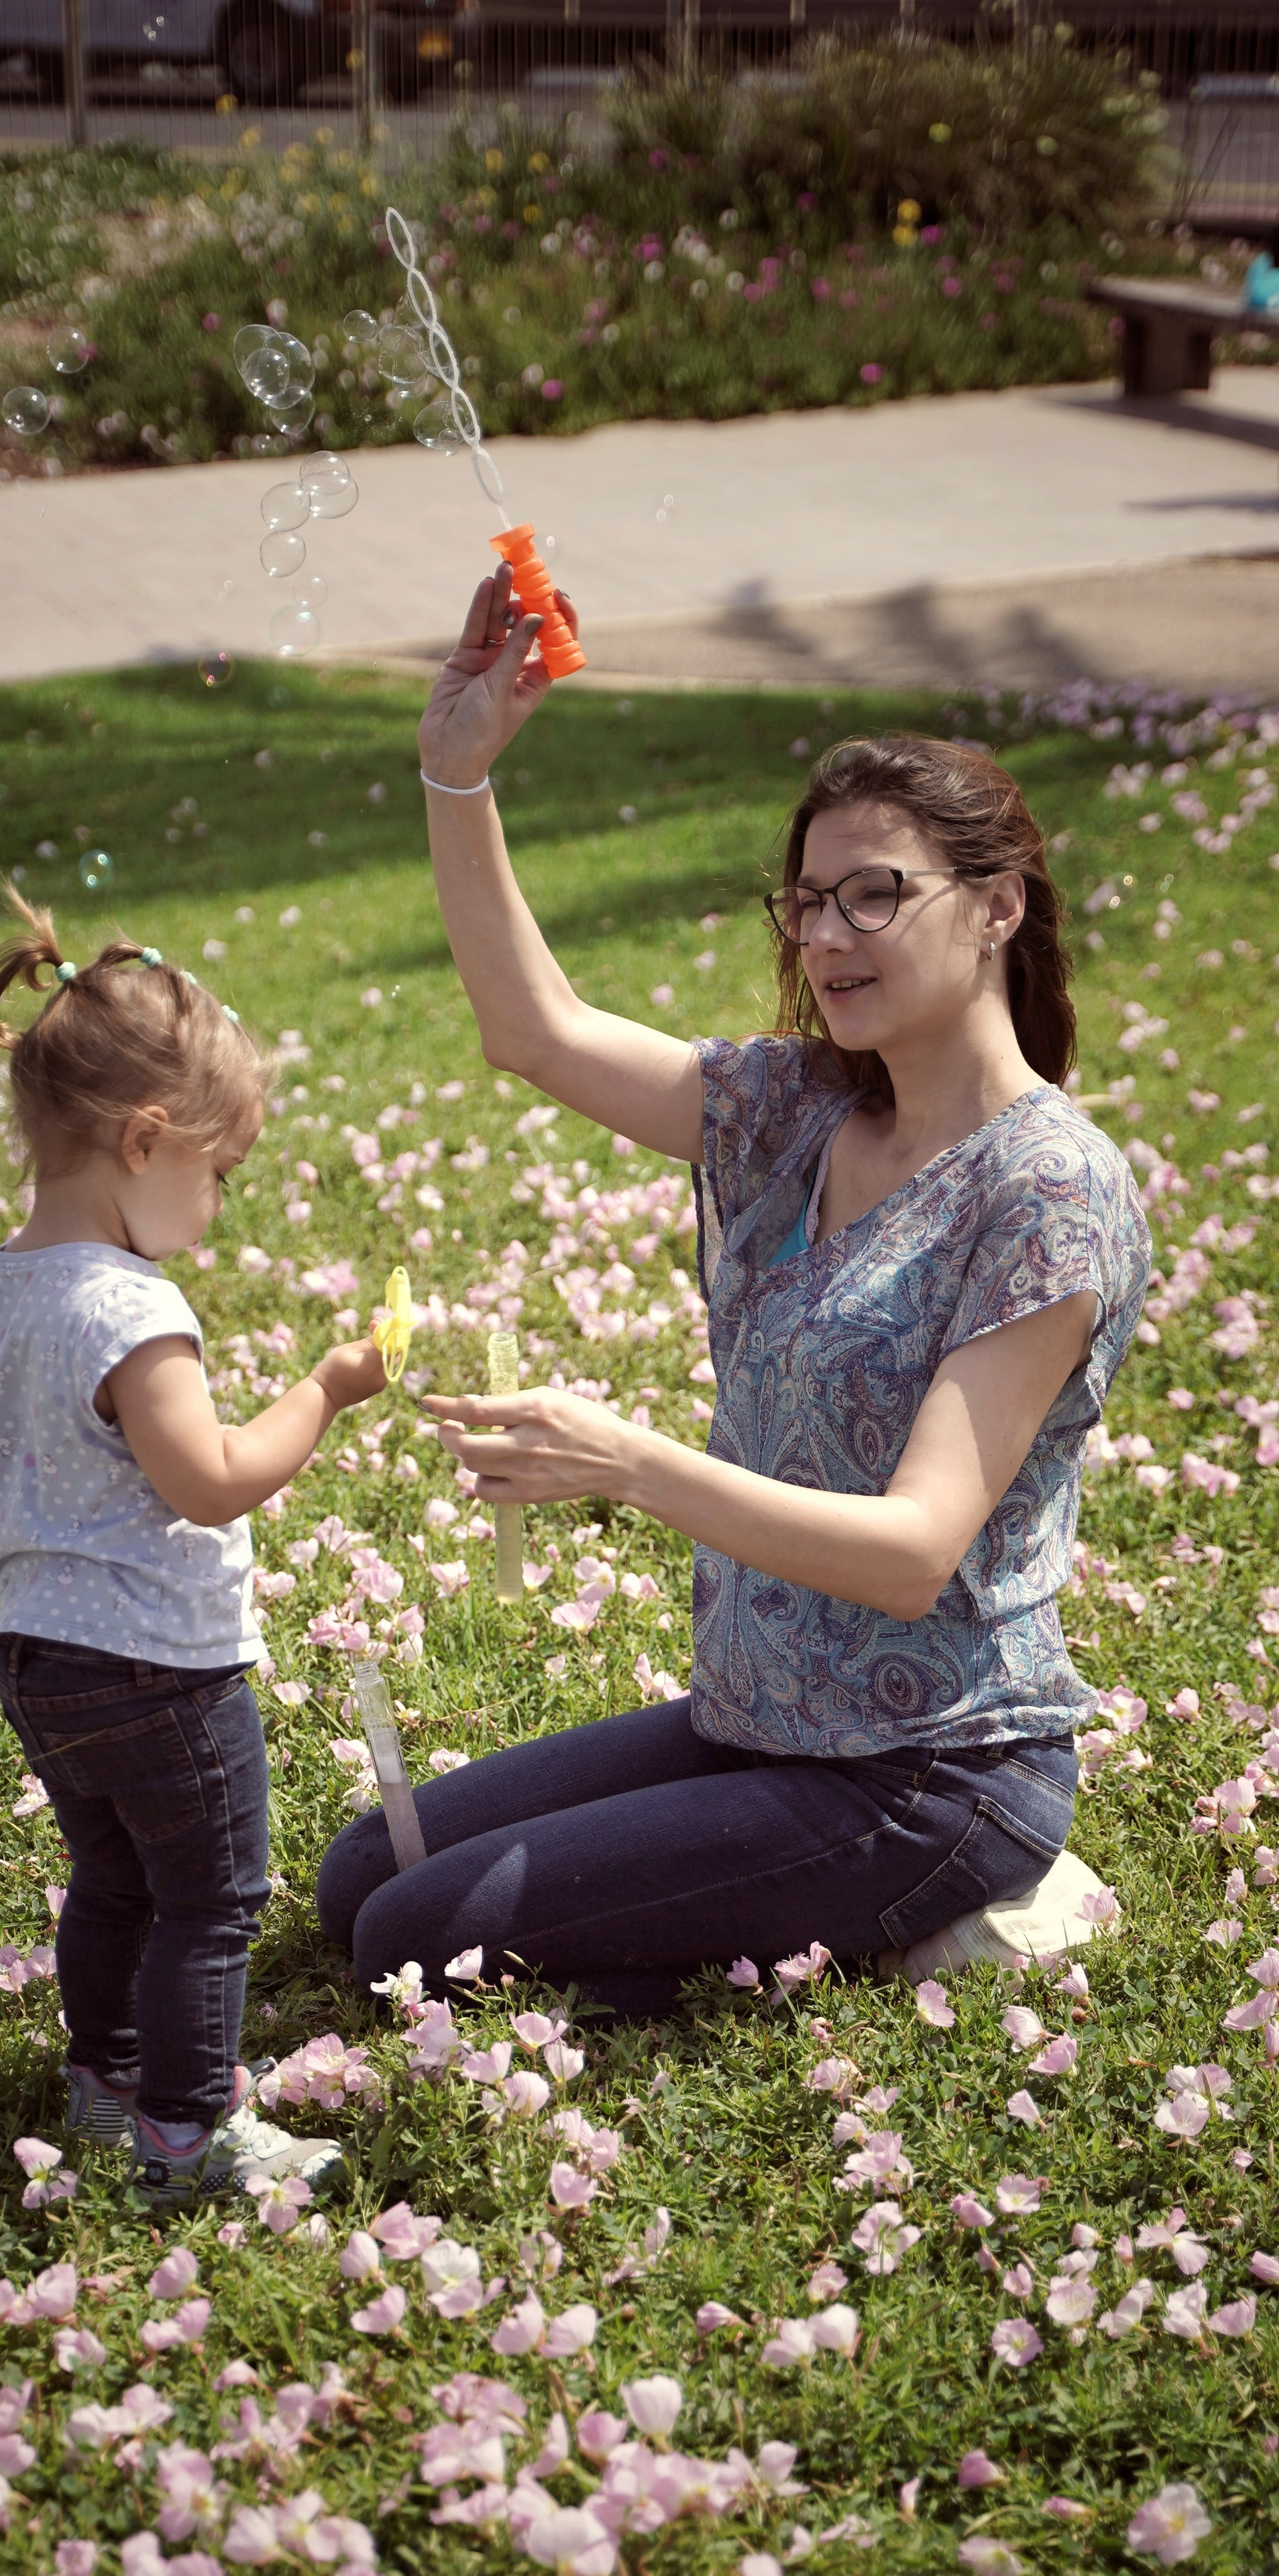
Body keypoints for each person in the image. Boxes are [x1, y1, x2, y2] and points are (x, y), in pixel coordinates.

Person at [317, 571, 1151, 2018]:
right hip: (761, 1725)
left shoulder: (1045, 1192)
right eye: (808, 900)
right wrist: (455, 776)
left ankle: (943, 1909)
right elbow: (533, 1032)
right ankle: (794, 1916)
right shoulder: (799, 1111)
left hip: (928, 1770)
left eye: (873, 896)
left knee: (410, 1939)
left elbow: (911, 1553)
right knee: (358, 1879)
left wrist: (630, 1466)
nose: (824, 939)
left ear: (997, 906)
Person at [0, 899, 388, 2202]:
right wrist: (324, 1388)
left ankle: (103, 2086)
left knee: (112, 1880)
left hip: (39, 1660)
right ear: (145, 1141)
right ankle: (185, 2138)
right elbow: (210, 1484)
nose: (220, 1202)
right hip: (158, 1671)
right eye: (218, 1173)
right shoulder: (133, 1311)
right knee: (209, 1900)